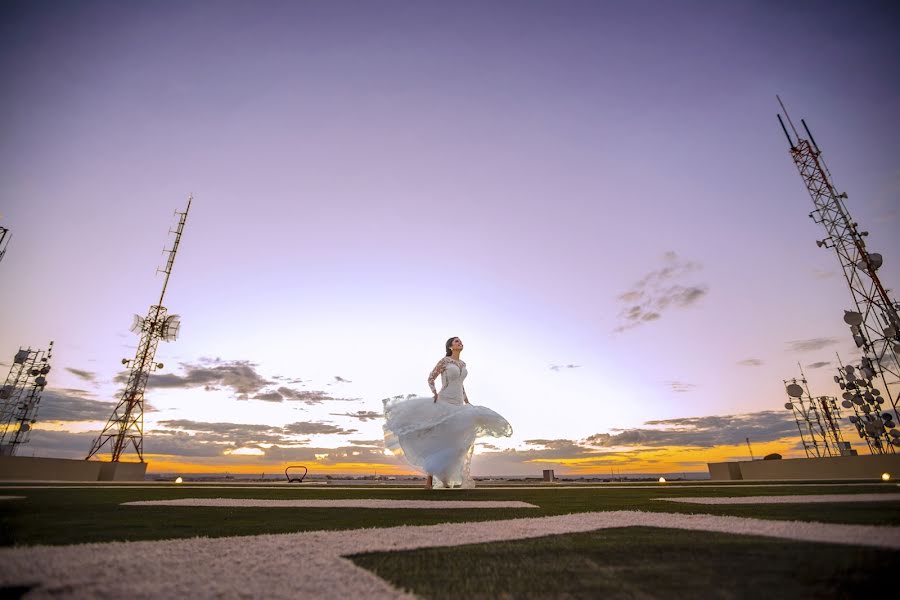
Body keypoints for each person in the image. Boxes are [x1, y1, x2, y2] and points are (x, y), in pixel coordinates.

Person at [383, 337, 512, 489]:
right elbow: (431, 378)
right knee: (437, 438)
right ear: (451, 346)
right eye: (457, 341)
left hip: (458, 404)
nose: (460, 343)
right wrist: (435, 393)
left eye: (461, 341)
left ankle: (445, 478)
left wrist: (466, 400)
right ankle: (429, 480)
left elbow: (461, 385)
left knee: (456, 441)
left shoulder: (463, 364)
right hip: (444, 402)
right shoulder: (444, 361)